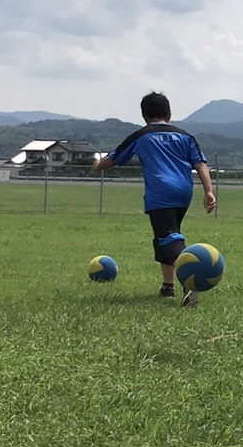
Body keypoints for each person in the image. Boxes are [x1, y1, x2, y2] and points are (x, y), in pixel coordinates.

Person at [91, 92, 216, 306]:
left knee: (168, 238)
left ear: (144, 116)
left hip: (160, 193)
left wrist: (96, 165)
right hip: (184, 192)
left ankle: (192, 279)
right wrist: (209, 191)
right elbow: (200, 164)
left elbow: (112, 159)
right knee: (164, 238)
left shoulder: (141, 136)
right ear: (169, 114)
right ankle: (168, 286)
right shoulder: (184, 136)